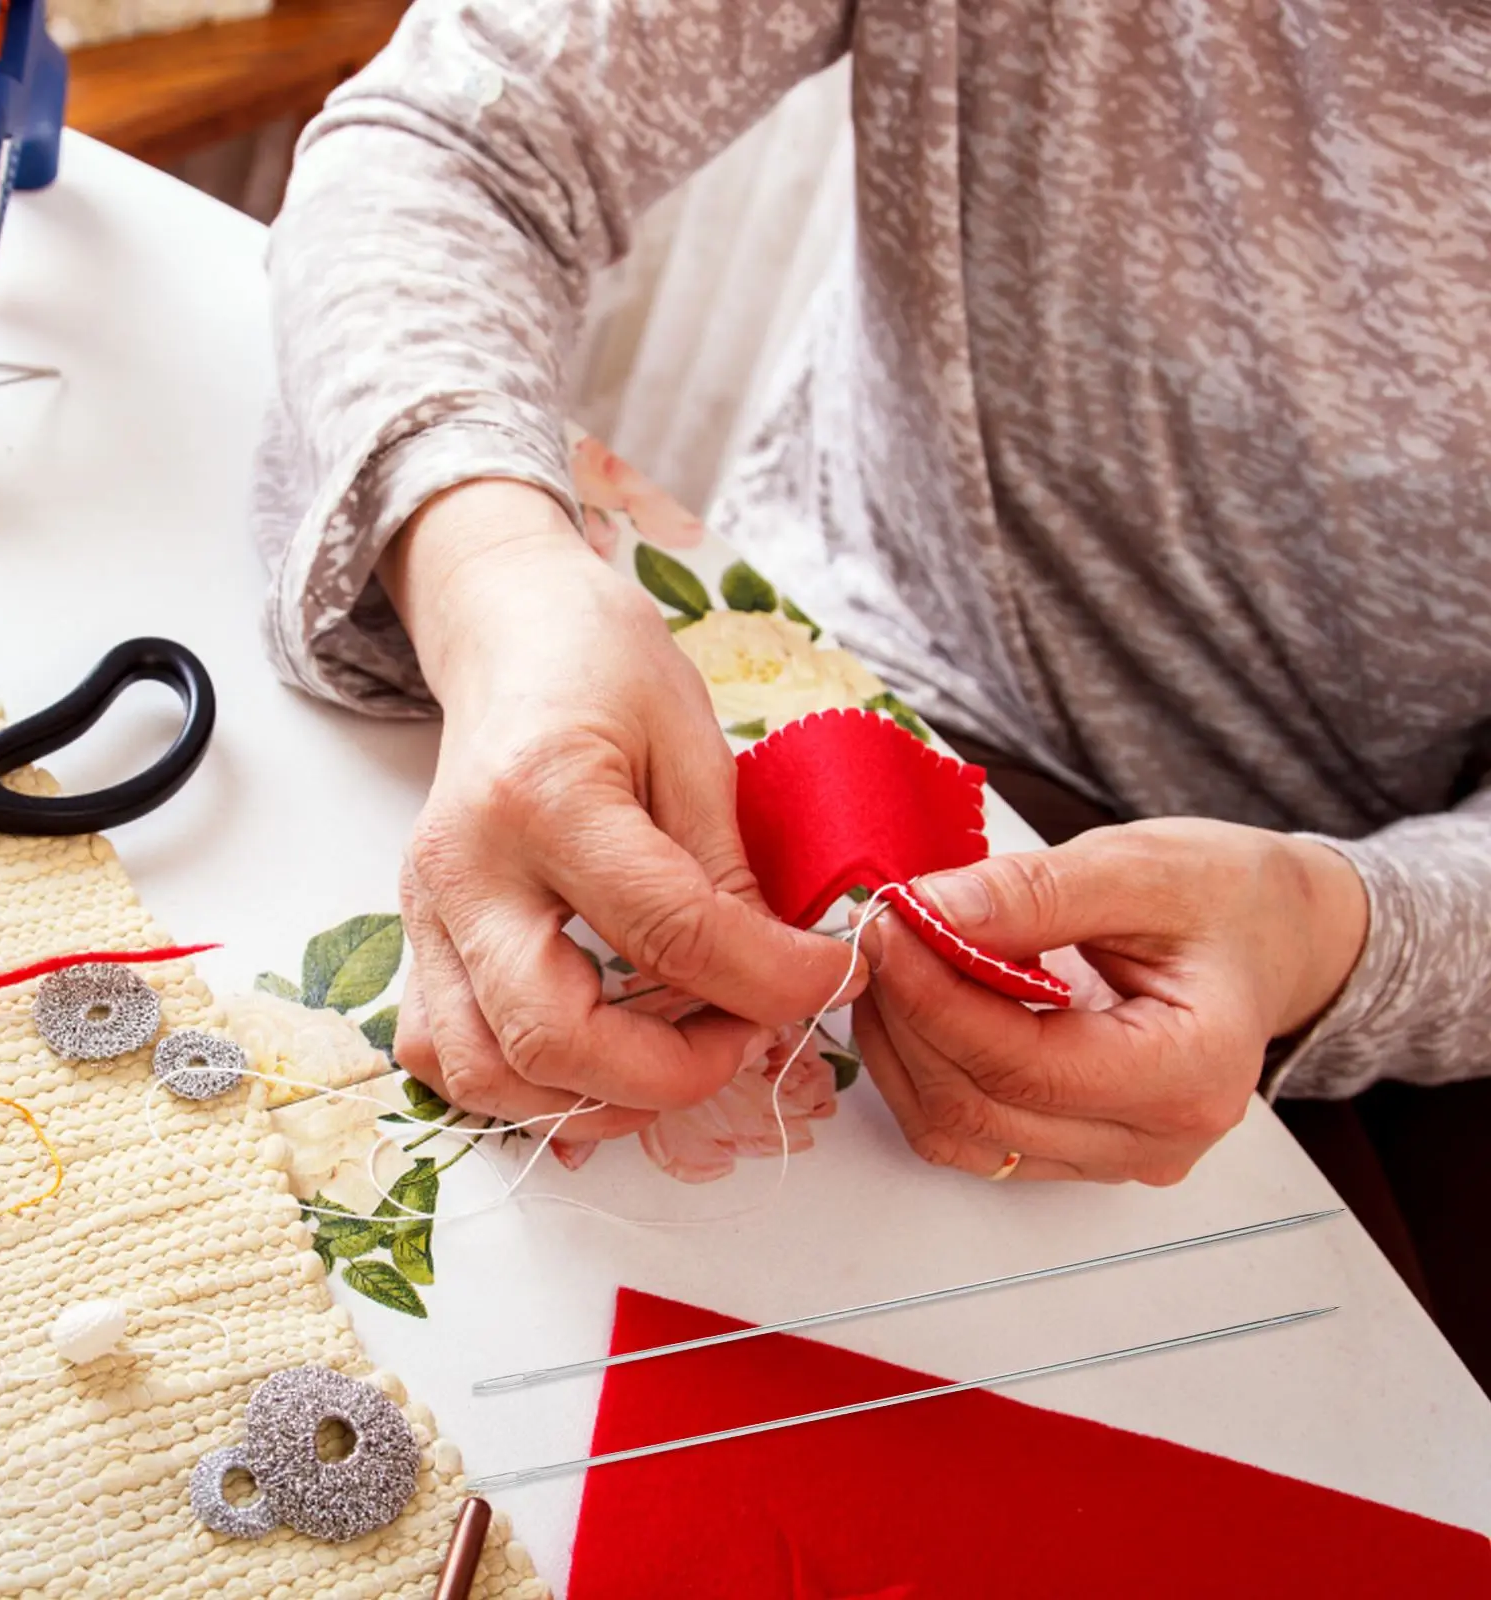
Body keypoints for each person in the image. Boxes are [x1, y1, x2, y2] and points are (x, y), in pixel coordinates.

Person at [252, 1, 1490, 1383]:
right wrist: (493, 573)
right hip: (814, 675)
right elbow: (449, 139)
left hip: (1359, 944)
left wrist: (1348, 939)